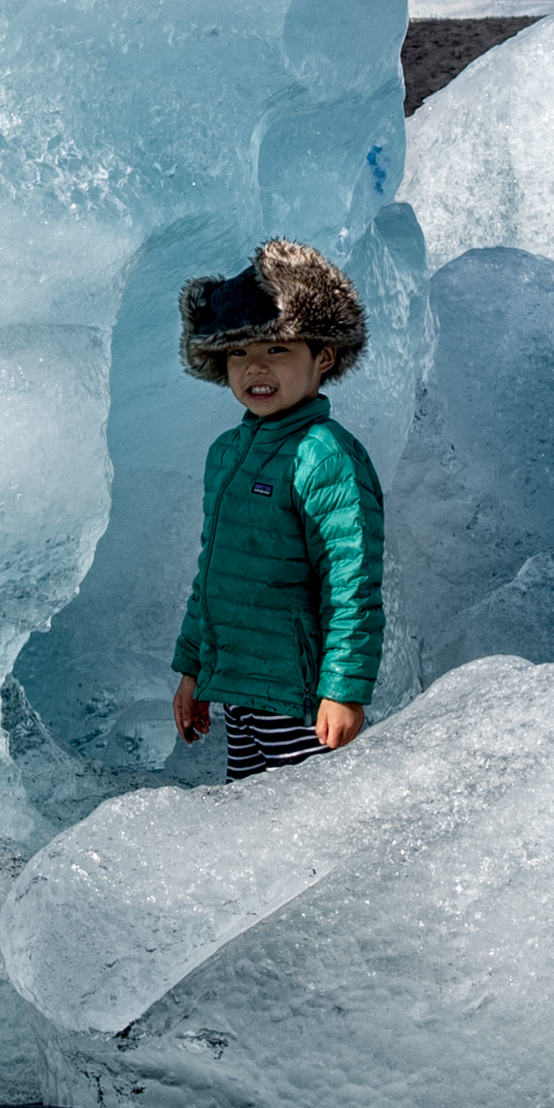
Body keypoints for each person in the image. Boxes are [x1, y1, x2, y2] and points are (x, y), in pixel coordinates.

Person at [168, 240, 385, 780]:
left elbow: (350, 581)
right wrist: (194, 671)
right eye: (239, 353)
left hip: (298, 700)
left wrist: (342, 689)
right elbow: (212, 576)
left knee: (308, 835)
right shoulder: (227, 454)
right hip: (238, 690)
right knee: (253, 832)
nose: (254, 367)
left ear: (324, 357)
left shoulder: (326, 455)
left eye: (277, 349)